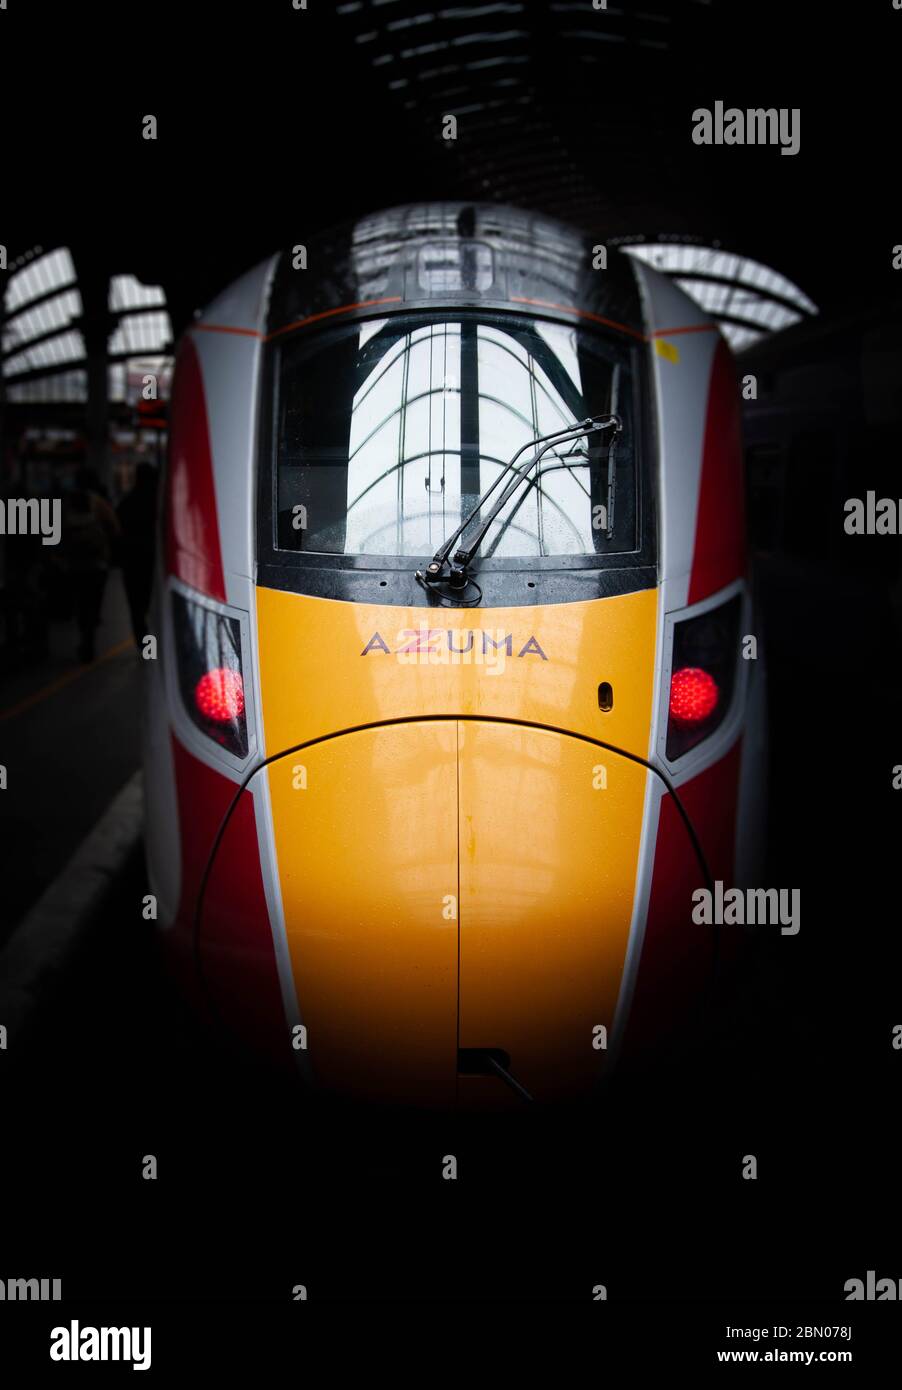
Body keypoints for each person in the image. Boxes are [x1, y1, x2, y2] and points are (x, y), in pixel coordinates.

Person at [64, 467, 120, 662]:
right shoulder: (99, 503)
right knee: (93, 601)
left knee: (81, 602)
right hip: (97, 563)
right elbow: (114, 527)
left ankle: (85, 637)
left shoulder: (67, 503)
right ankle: (90, 637)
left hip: (75, 563)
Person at [116, 462, 159, 644]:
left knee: (136, 605)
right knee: (154, 602)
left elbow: (117, 530)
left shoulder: (127, 502)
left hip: (131, 561)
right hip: (154, 561)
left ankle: (143, 642)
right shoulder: (159, 503)